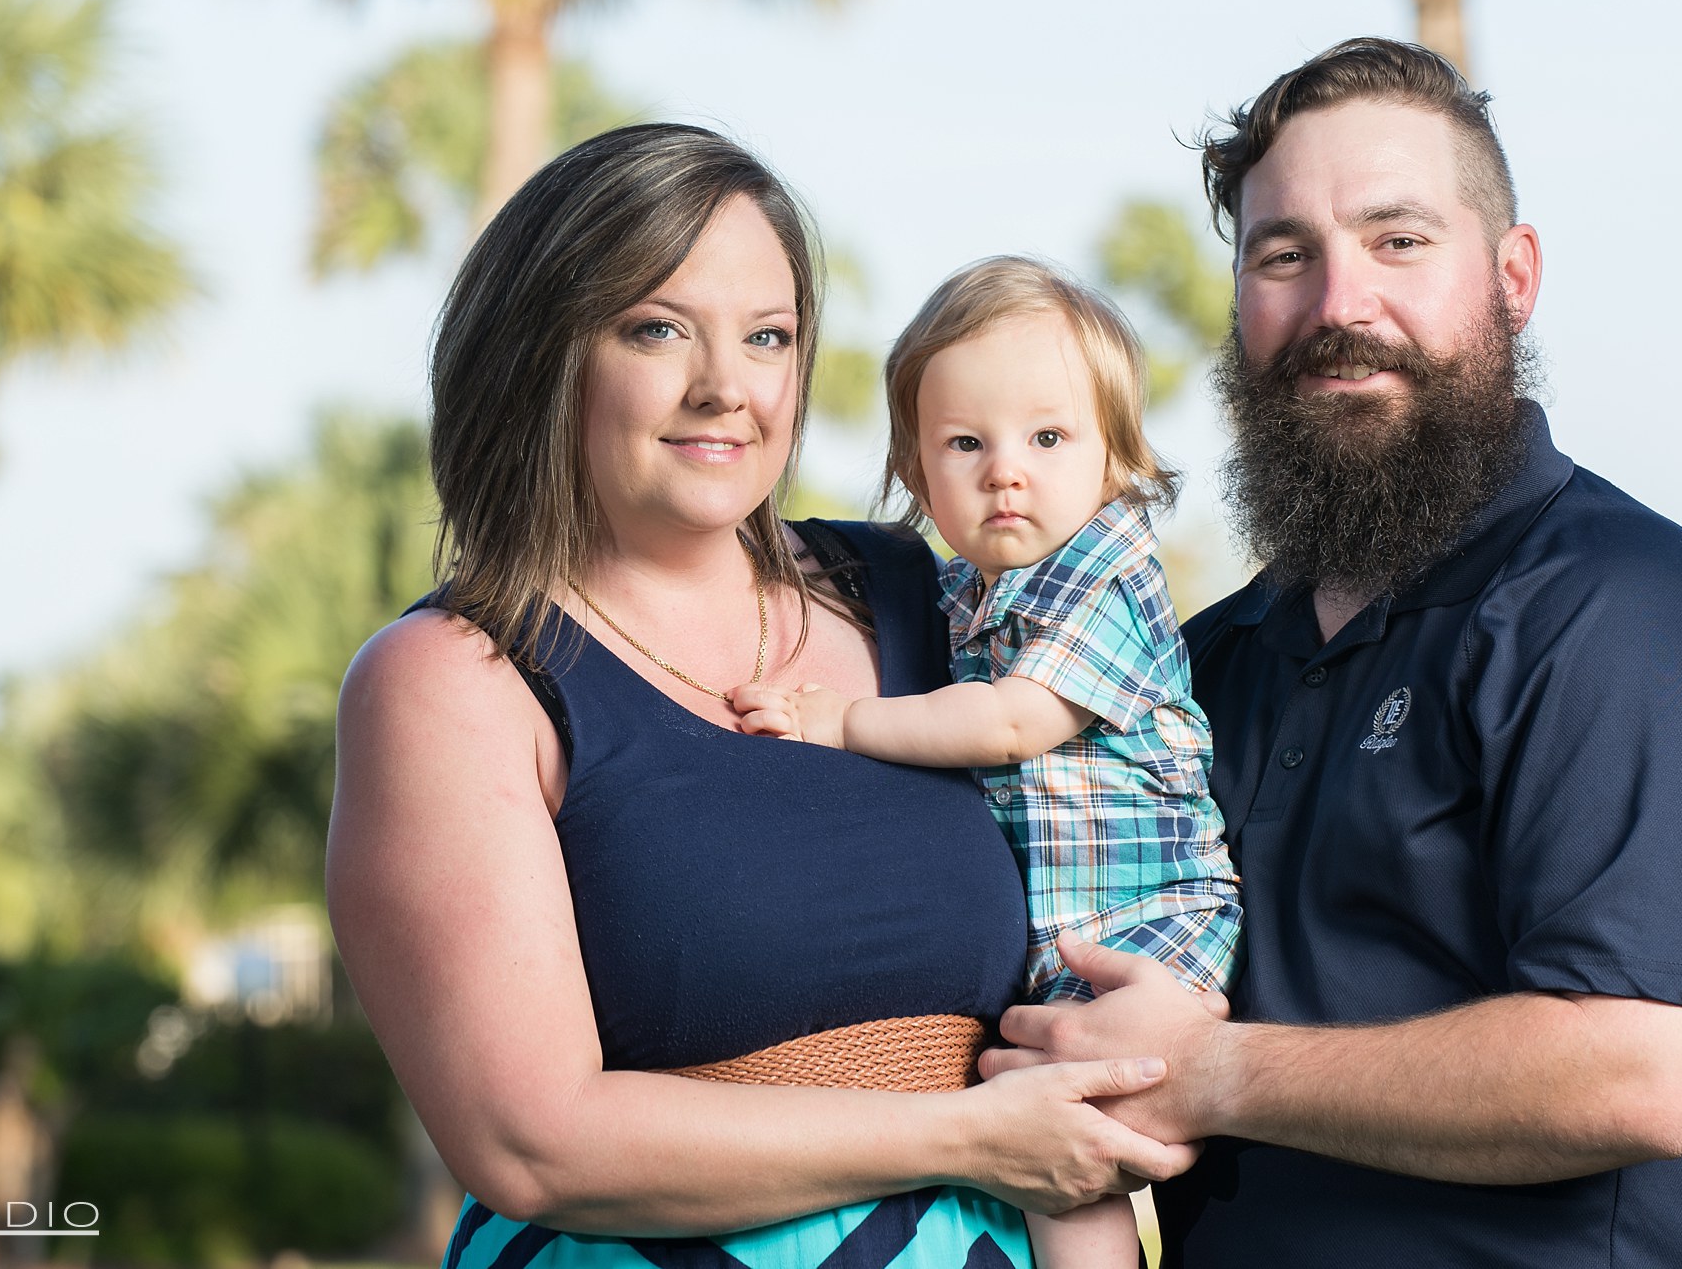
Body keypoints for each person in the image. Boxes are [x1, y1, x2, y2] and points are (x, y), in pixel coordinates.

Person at [981, 38, 1682, 1266]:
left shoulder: (1622, 609)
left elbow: (1636, 1071)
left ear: (1513, 277)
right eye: (1283, 255)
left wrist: (1212, 1074)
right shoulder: (1197, 665)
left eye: (1397, 241)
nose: (1338, 306)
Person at [329, 123, 1191, 1269]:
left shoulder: (930, 600)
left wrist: (1177, 1011)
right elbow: (529, 1142)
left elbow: (1139, 807)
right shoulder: (451, 681)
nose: (725, 388)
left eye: (768, 336)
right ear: (545, 354)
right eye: (656, 328)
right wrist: (971, 1136)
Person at [731, 256, 1241, 1269]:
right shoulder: (968, 592)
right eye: (964, 443)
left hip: (1144, 930)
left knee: (1065, 1156)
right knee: (1040, 1142)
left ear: (1112, 460)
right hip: (1064, 947)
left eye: (1048, 438)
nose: (1005, 469)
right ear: (917, 476)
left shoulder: (1106, 570)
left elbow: (1009, 725)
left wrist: (842, 722)